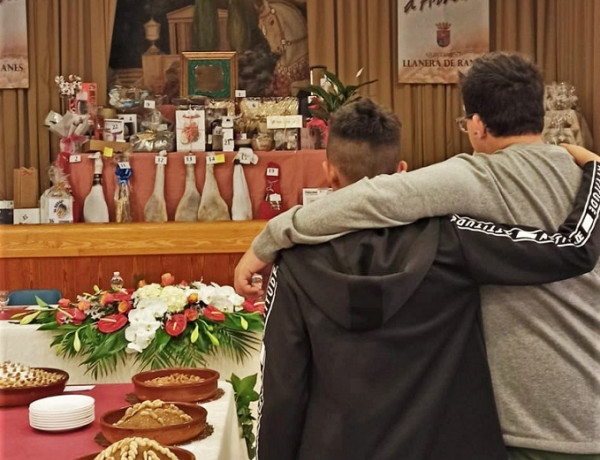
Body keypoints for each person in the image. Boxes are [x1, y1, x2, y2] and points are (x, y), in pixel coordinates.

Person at [239, 52, 600, 459]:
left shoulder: (473, 179)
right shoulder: (587, 183)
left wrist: (268, 239)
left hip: (526, 423)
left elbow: (373, 196)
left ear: (478, 125)